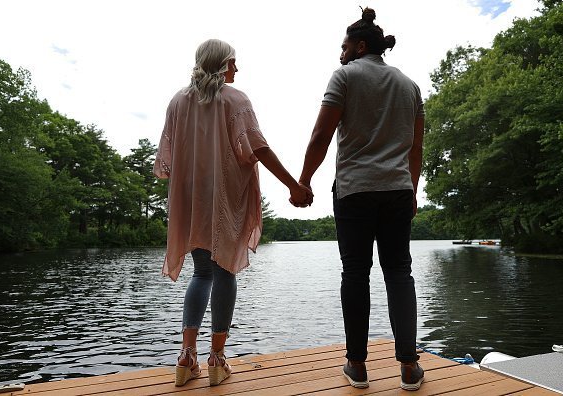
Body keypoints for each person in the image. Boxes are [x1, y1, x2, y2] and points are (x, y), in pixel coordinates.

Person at [153, 39, 312, 387]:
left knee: (201, 273)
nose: (237, 69)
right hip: (225, 194)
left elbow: (166, 156)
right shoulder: (235, 100)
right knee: (224, 271)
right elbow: (258, 147)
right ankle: (217, 359)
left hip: (191, 196)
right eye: (233, 63)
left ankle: (186, 356)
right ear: (221, 64)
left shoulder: (178, 100)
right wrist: (292, 185)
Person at [296, 8, 425, 391]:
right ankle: (408, 368)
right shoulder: (409, 85)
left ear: (360, 45)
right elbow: (416, 148)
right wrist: (412, 189)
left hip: (354, 190)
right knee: (399, 272)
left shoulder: (345, 76)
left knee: (355, 273)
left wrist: (303, 180)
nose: (340, 51)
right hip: (398, 191)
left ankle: (357, 366)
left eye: (344, 45)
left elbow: (321, 134)